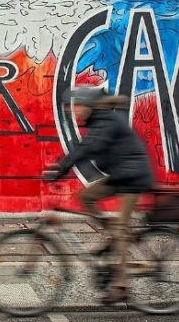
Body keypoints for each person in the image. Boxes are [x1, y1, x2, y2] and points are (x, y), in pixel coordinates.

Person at [45, 86, 154, 305]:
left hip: (132, 178)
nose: (74, 111)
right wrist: (61, 167)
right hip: (121, 174)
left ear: (89, 106)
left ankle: (121, 285)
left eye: (78, 106)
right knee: (85, 196)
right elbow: (86, 147)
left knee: (122, 231)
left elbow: (88, 147)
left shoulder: (106, 121)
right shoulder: (99, 121)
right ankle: (113, 235)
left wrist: (61, 168)